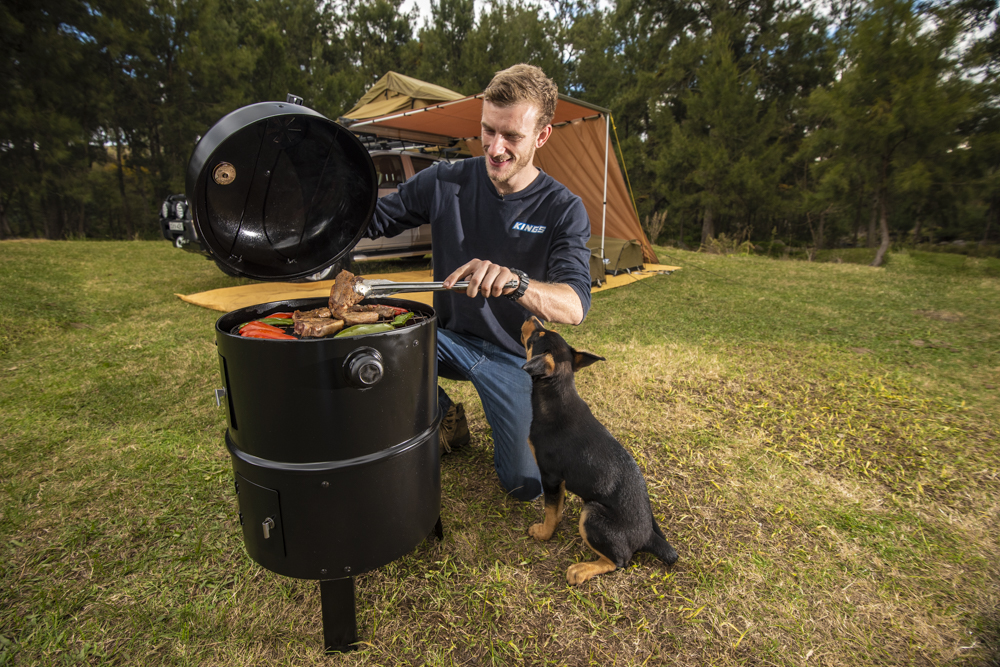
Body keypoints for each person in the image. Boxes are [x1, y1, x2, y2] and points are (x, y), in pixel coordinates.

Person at [366, 64, 593, 501]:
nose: (495, 148)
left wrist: (517, 283)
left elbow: (575, 306)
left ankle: (505, 423)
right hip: (444, 339)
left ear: (542, 136)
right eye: (488, 131)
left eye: (512, 136)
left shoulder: (564, 209)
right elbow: (374, 220)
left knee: (524, 485)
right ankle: (446, 416)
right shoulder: (446, 180)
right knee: (379, 334)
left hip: (512, 358)